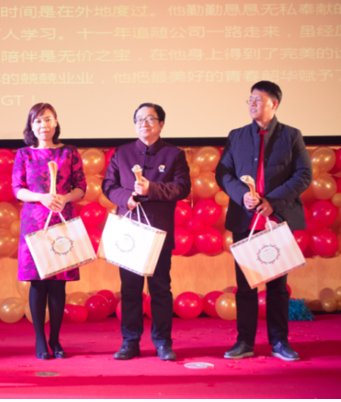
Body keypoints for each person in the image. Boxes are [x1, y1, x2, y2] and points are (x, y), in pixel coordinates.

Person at [215, 81, 312, 362]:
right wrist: (242, 195)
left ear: (274, 103)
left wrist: (273, 202)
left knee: (277, 287)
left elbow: (303, 174)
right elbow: (223, 173)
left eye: (258, 99)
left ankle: (279, 342)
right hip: (245, 220)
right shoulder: (237, 136)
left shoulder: (291, 135)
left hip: (275, 220)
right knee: (245, 286)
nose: (252, 104)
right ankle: (244, 341)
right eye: (250, 99)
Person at [102, 103, 191, 361]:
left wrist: (151, 189)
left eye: (150, 119)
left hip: (158, 231)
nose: (144, 123)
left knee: (160, 288)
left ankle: (163, 343)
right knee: (130, 289)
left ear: (161, 124)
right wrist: (126, 199)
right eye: (139, 119)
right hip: (129, 231)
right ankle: (130, 342)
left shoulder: (174, 154)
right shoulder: (122, 152)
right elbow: (108, 185)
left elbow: (182, 188)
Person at [12, 103, 87, 359]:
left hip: (61, 219)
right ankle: (40, 340)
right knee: (37, 281)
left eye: (47, 119)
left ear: (55, 122)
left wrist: (64, 198)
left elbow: (81, 187)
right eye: (37, 121)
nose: (43, 125)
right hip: (34, 221)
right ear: (31, 126)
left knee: (58, 283)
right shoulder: (24, 154)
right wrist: (41, 197)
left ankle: (55, 339)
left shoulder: (69, 152)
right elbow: (17, 189)